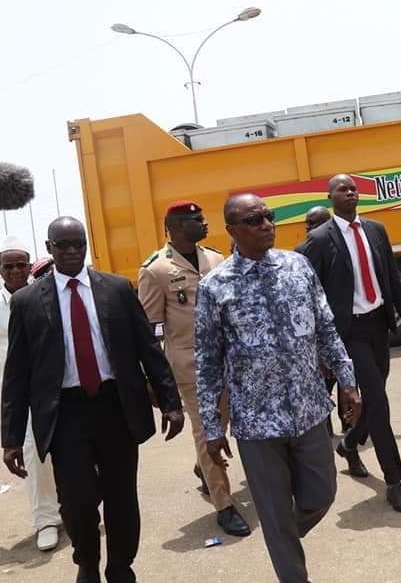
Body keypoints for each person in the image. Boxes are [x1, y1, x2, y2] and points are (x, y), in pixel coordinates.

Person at [1, 217, 185, 583]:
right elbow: (17, 373)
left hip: (114, 406)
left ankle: (121, 567)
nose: (71, 251)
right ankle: (87, 562)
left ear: (86, 244)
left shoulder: (116, 289)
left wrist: (170, 400)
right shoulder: (27, 303)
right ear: (49, 249)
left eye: (78, 244)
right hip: (64, 413)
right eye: (63, 245)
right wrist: (10, 438)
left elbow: (146, 347)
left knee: (121, 497)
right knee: (78, 501)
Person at [195, 194, 362, 583]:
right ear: (232, 230)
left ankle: (283, 533)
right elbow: (207, 362)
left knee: (321, 495)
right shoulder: (215, 286)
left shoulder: (297, 266)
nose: (267, 224)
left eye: (269, 216)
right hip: (257, 424)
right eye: (255, 220)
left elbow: (326, 328)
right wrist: (211, 428)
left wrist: (348, 381)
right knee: (272, 514)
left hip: (309, 410)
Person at [298, 174, 401, 515]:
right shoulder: (320, 240)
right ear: (330, 197)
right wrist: (319, 345)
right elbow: (309, 291)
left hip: (378, 326)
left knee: (375, 394)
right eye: (342, 189)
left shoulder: (376, 230)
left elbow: (392, 278)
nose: (350, 193)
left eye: (353, 188)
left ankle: (350, 445)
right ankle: (395, 482)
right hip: (347, 333)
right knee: (379, 403)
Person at [137, 200, 250, 537]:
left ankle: (204, 467)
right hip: (191, 365)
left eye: (201, 217)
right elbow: (152, 330)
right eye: (192, 219)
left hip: (230, 359)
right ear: (172, 227)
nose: (202, 222)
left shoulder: (216, 259)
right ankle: (224, 505)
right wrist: (154, 379)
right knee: (206, 429)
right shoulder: (155, 270)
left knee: (228, 418)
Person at [0, 236, 62, 551]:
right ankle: (45, 520)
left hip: (53, 385)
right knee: (33, 456)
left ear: (28, 266)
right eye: (8, 266)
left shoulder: (48, 297)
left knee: (67, 448)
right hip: (19, 396)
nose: (14, 271)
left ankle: (76, 509)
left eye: (20, 265)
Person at [297, 206, 344, 436]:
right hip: (316, 337)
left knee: (347, 386)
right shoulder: (299, 255)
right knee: (321, 391)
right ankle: (326, 435)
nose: (308, 230)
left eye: (313, 225)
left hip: (342, 332)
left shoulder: (342, 250)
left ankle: (349, 436)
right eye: (306, 225)